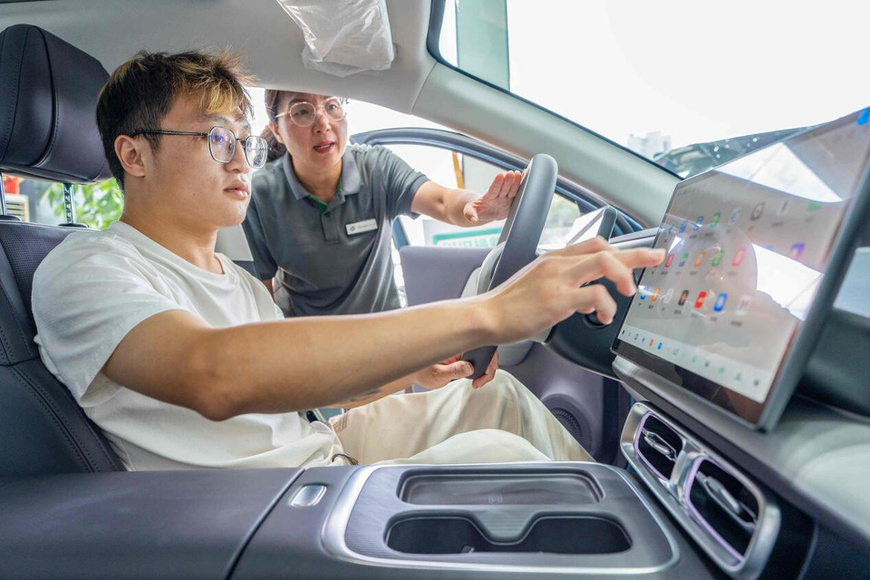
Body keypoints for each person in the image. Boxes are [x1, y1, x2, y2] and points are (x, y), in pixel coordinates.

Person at [31, 50, 663, 471]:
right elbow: (214, 376)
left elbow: (299, 397)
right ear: (134, 157)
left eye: (243, 140)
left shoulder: (241, 285)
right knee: (501, 454)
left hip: (321, 446)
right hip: (262, 503)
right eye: (216, 137)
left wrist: (416, 368)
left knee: (497, 399)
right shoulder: (88, 266)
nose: (240, 158)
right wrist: (487, 314)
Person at [242, 90, 524, 318]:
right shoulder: (260, 195)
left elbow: (441, 200)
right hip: (314, 353)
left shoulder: (377, 168)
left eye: (332, 106)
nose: (323, 124)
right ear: (276, 130)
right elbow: (261, 298)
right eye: (302, 111)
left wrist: (475, 206)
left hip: (385, 343)